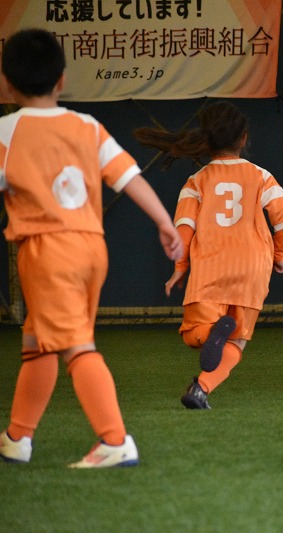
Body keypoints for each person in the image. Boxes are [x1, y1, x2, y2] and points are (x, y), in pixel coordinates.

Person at [0, 29, 183, 467]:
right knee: (39, 342)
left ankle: (115, 440)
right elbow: (128, 176)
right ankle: (16, 438)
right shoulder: (87, 126)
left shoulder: (6, 131)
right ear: (62, 80)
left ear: (6, 83)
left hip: (47, 253)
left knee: (76, 347)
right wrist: (164, 221)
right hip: (91, 249)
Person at [135, 101, 283, 408]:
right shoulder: (261, 175)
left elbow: (184, 227)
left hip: (211, 265)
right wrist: (278, 255)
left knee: (193, 335)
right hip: (253, 265)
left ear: (207, 141)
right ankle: (200, 390)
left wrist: (180, 267)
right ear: (244, 139)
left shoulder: (197, 181)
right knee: (237, 340)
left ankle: (211, 332)